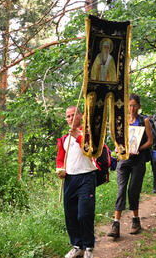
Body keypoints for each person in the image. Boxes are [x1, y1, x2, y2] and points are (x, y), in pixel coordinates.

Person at [107, 94, 153, 238]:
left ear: (138, 106)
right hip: (123, 159)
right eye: (129, 105)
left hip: (138, 161)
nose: (132, 108)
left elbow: (150, 141)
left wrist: (140, 149)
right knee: (121, 190)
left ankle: (135, 220)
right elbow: (117, 139)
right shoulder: (122, 120)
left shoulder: (144, 120)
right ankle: (115, 224)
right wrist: (117, 148)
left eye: (134, 105)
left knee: (133, 190)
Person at [56, 106, 98, 258]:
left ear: (80, 115)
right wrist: (60, 170)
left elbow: (93, 150)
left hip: (86, 177)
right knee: (70, 214)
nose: (70, 119)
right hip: (70, 179)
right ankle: (77, 245)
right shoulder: (64, 139)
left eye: (74, 115)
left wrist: (78, 136)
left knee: (84, 214)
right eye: (68, 116)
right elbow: (61, 159)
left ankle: (88, 246)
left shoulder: (89, 133)